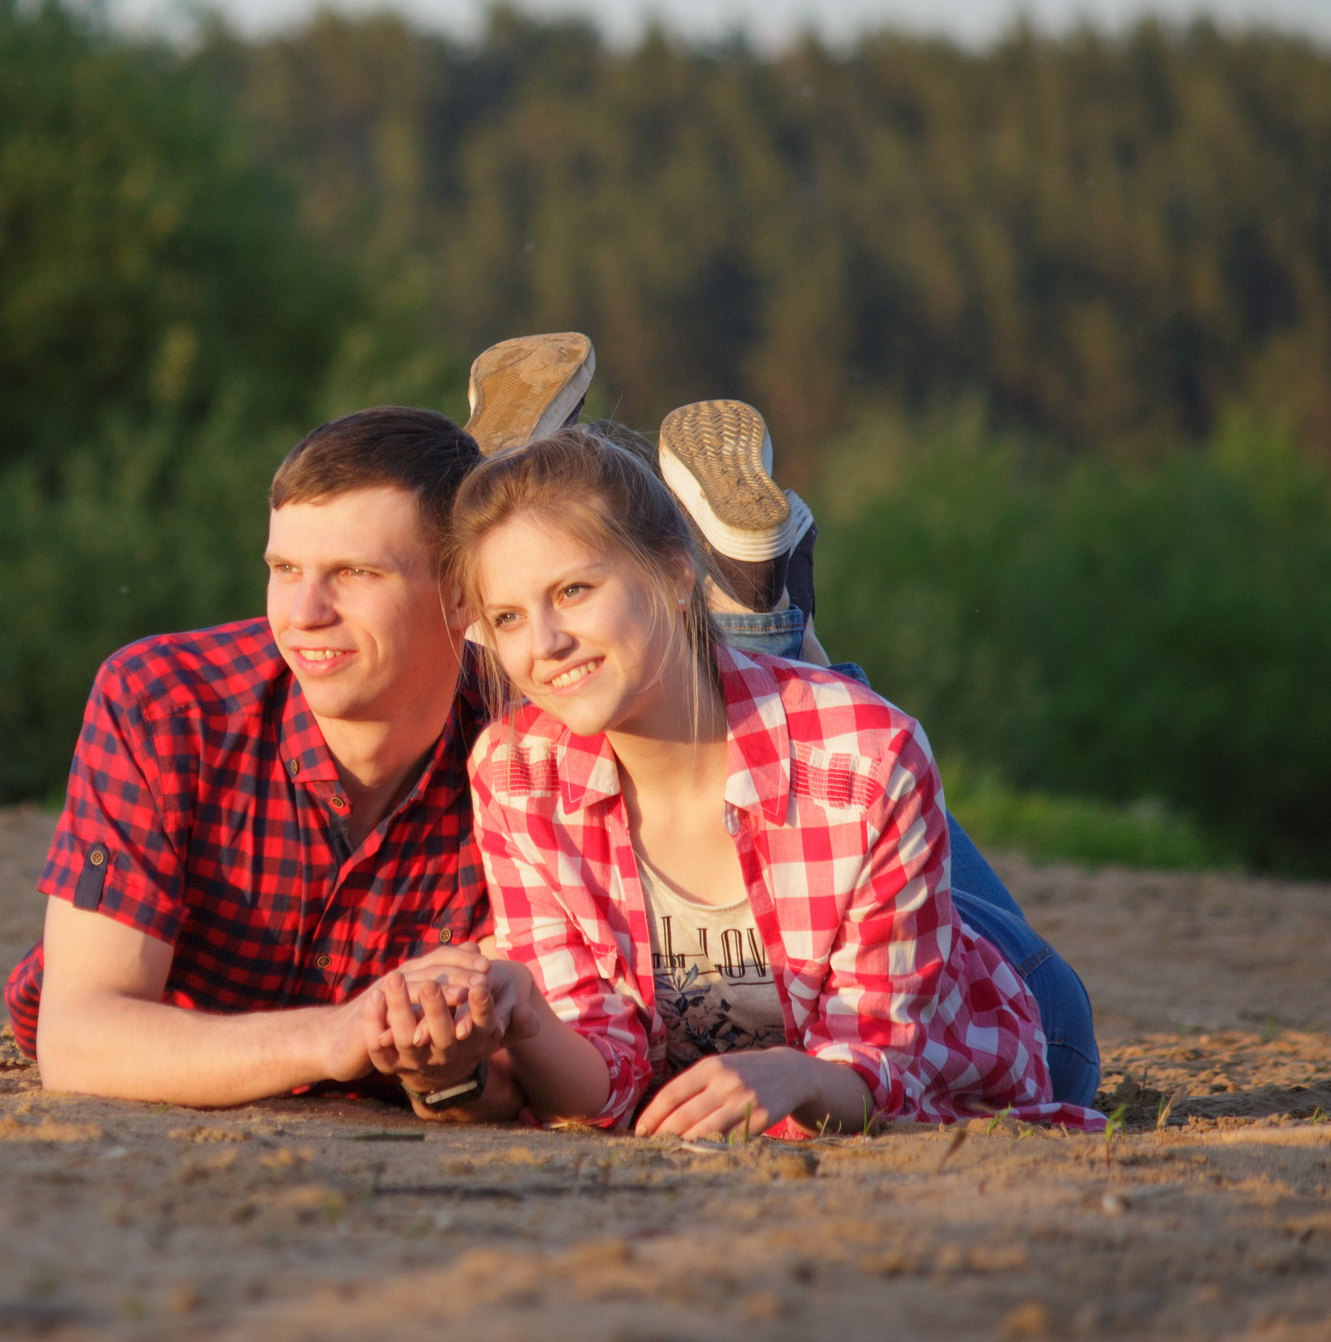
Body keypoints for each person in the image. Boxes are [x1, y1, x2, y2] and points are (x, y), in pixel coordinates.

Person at [400, 422, 1103, 1137]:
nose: (544, 644)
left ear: (678, 573)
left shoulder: (868, 755)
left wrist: (799, 1076)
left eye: (575, 589)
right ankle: (767, 617)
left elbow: (892, 1069)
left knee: (857, 745)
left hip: (986, 1022)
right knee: (809, 722)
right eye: (509, 617)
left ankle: (774, 632)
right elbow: (604, 1075)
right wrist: (526, 1013)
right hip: (825, 881)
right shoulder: (516, 773)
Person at [5, 405, 523, 1110]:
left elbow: (527, 1076)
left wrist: (444, 1074)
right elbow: (78, 1037)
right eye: (284, 568)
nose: (304, 611)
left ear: (461, 594)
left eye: (354, 572)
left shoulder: (528, 759)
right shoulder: (164, 705)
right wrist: (333, 1036)